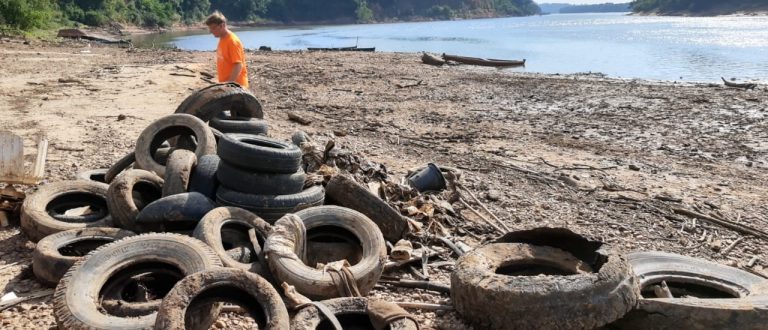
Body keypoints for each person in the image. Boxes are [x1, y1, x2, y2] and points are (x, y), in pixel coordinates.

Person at [205, 11, 249, 88]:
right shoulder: (222, 39)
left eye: (213, 28)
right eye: (210, 29)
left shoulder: (232, 41)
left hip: (236, 87)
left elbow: (238, 65)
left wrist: (228, 84)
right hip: (228, 86)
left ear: (222, 25)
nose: (211, 31)